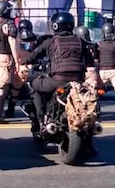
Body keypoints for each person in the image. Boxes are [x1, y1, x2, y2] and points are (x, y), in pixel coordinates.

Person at [25, 11, 98, 153]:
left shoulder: (50, 42)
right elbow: (90, 63)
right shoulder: (80, 41)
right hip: (77, 83)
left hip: (57, 82)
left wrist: (26, 62)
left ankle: (40, 120)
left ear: (55, 25)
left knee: (33, 83)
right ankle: (88, 141)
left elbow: (33, 56)